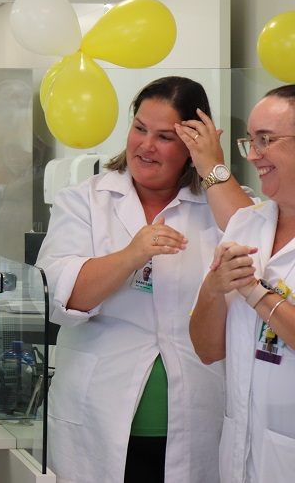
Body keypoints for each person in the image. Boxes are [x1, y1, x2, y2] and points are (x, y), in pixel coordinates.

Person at [36, 76, 255, 483]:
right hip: (98, 410)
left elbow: (257, 243)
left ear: (192, 144)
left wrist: (212, 168)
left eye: (165, 137)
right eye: (139, 128)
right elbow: (61, 298)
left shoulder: (219, 202)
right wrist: (130, 256)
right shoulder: (85, 200)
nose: (146, 146)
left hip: (197, 411)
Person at [190, 84, 295, 483]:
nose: (252, 155)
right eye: (250, 141)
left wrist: (255, 293)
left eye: (265, 140)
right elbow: (207, 350)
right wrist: (213, 289)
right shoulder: (246, 223)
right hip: (240, 455)